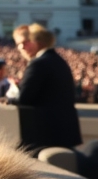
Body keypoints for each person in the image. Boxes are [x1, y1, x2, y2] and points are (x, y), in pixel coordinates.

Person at [10, 24, 82, 152]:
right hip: (63, 131)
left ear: (37, 40)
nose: (21, 48)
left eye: (25, 42)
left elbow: (24, 98)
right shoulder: (56, 60)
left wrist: (9, 99)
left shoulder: (38, 63)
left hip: (45, 134)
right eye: (18, 44)